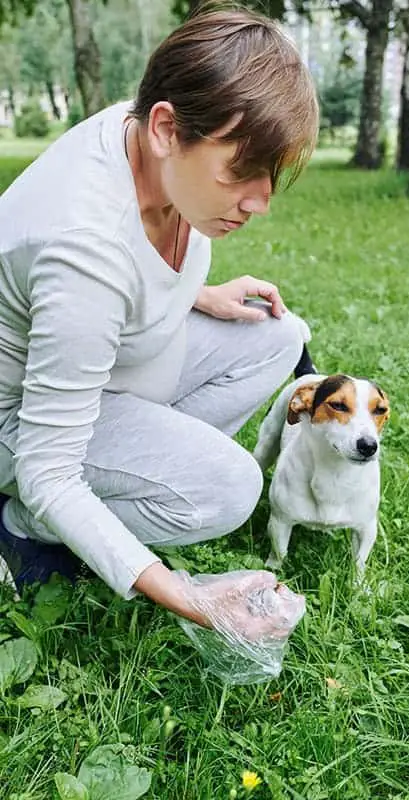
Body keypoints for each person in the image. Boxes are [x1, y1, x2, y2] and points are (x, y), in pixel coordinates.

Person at [0, 7, 318, 639]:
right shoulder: (82, 249)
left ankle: (140, 479)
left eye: (270, 174)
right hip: (24, 423)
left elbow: (119, 271)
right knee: (229, 488)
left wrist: (199, 292)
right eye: (241, 171)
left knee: (278, 334)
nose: (259, 201)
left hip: (105, 362)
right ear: (168, 130)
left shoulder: (148, 129)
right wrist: (194, 599)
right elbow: (48, 468)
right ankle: (22, 527)